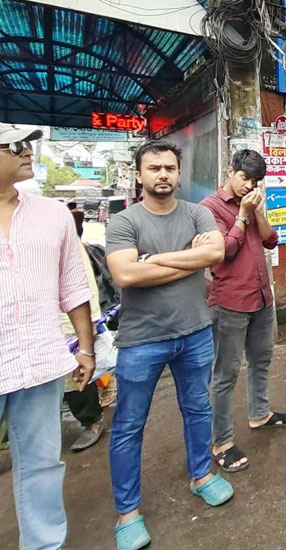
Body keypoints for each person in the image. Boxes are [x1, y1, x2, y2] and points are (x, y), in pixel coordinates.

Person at [105, 141, 230, 549]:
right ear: (139, 174)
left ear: (179, 173)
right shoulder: (123, 222)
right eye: (154, 167)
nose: (163, 174)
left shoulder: (197, 212)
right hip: (142, 340)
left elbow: (216, 252)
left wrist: (152, 261)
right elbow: (125, 276)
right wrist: (183, 260)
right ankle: (128, 513)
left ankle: (201, 475)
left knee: (198, 408)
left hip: (195, 331)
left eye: (170, 168)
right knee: (128, 426)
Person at [0, 125, 95, 550]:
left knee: (41, 464)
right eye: (16, 145)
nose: (27, 152)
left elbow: (73, 286)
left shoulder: (53, 214)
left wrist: (86, 347)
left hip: (40, 358)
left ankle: (44, 544)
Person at [200, 150, 286, 474]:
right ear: (230, 172)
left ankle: (260, 414)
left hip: (260, 296)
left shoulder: (254, 203)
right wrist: (242, 214)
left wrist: (255, 212)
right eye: (244, 178)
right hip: (229, 302)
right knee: (225, 374)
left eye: (254, 181)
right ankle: (221, 442)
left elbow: (271, 240)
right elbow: (223, 252)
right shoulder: (209, 208)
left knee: (262, 361)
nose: (248, 185)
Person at [61, 208, 106, 453]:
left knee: (75, 377)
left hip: (63, 322)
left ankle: (92, 420)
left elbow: (81, 280)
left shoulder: (51, 222)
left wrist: (91, 322)